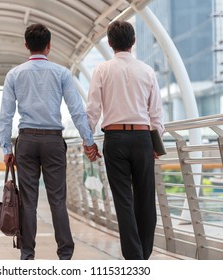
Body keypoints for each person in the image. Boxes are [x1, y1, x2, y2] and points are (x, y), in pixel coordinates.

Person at [0, 23, 100, 260]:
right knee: (57, 201)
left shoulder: (14, 74)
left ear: (26, 46)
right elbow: (76, 110)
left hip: (26, 141)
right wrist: (88, 141)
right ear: (49, 46)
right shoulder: (61, 73)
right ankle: (65, 254)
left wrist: (5, 147)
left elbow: (5, 115)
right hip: (53, 141)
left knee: (28, 201)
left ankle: (27, 254)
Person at [86, 20, 165, 260]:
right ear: (133, 41)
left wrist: (88, 142)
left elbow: (92, 110)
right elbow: (156, 114)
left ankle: (134, 257)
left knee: (123, 200)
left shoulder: (102, 70)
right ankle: (145, 252)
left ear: (109, 43)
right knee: (145, 197)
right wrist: (156, 143)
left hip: (115, 138)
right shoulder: (147, 71)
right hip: (142, 137)